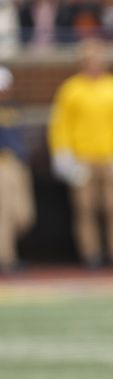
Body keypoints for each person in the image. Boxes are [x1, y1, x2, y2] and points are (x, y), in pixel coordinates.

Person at [48, 38, 113, 269]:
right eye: (89, 60)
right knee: (85, 211)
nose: (94, 64)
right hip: (83, 159)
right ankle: (92, 256)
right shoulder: (70, 89)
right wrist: (64, 156)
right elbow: (61, 125)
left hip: (111, 157)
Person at [0, 65, 36, 274]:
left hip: (19, 164)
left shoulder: (15, 107)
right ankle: (7, 259)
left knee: (24, 216)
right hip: (3, 163)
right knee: (5, 214)